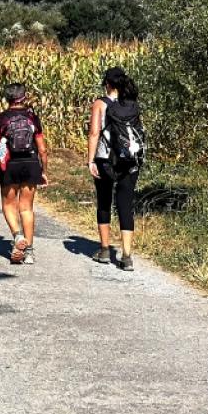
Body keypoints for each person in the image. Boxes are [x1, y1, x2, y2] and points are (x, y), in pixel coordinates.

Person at [0, 83, 48, 264]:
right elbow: (42, 149)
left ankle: (18, 236)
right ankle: (29, 253)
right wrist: (44, 171)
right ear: (24, 97)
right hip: (31, 164)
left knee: (8, 204)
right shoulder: (33, 118)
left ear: (7, 99)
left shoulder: (0, 119)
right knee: (26, 208)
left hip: (9, 165)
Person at [87, 66, 141, 271]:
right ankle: (126, 256)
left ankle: (104, 250)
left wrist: (90, 160)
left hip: (105, 159)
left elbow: (94, 133)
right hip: (130, 160)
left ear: (107, 84)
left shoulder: (100, 104)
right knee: (125, 205)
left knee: (104, 201)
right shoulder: (132, 104)